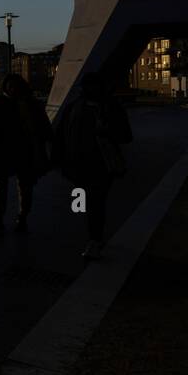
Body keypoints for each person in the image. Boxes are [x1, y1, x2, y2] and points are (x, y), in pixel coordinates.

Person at [54, 73, 133, 261]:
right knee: (90, 201)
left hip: (100, 164)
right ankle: (92, 234)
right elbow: (61, 135)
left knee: (95, 201)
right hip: (82, 164)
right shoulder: (80, 107)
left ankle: (94, 239)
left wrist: (106, 131)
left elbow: (125, 135)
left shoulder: (87, 107)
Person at [0, 74, 51, 233]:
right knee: (13, 186)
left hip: (17, 150)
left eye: (14, 86)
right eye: (10, 86)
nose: (12, 89)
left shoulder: (3, 103)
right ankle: (6, 219)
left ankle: (15, 218)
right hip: (9, 151)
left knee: (15, 186)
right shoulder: (28, 104)